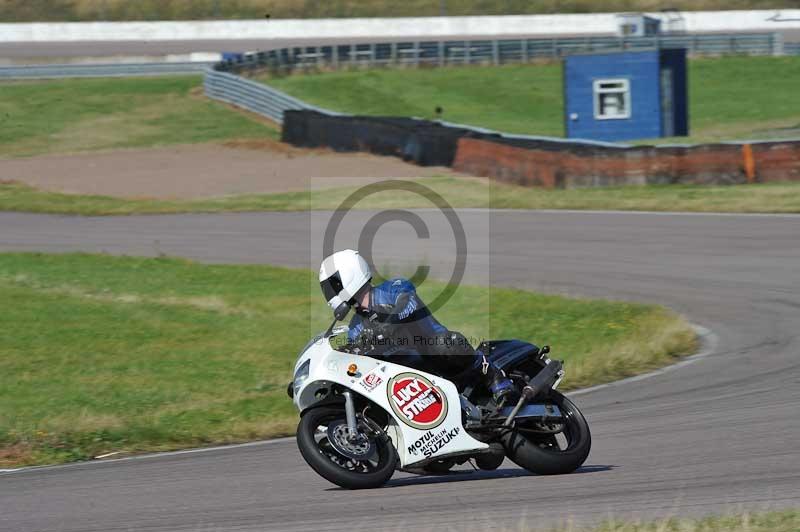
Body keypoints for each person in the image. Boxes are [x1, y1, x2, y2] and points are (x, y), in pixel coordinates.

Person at [319, 249, 515, 404]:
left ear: (349, 274)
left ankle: (493, 375)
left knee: (444, 344)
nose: (329, 293)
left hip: (440, 355)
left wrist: (387, 326)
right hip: (408, 376)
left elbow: (407, 302)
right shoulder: (355, 327)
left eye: (331, 286)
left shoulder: (392, 288)